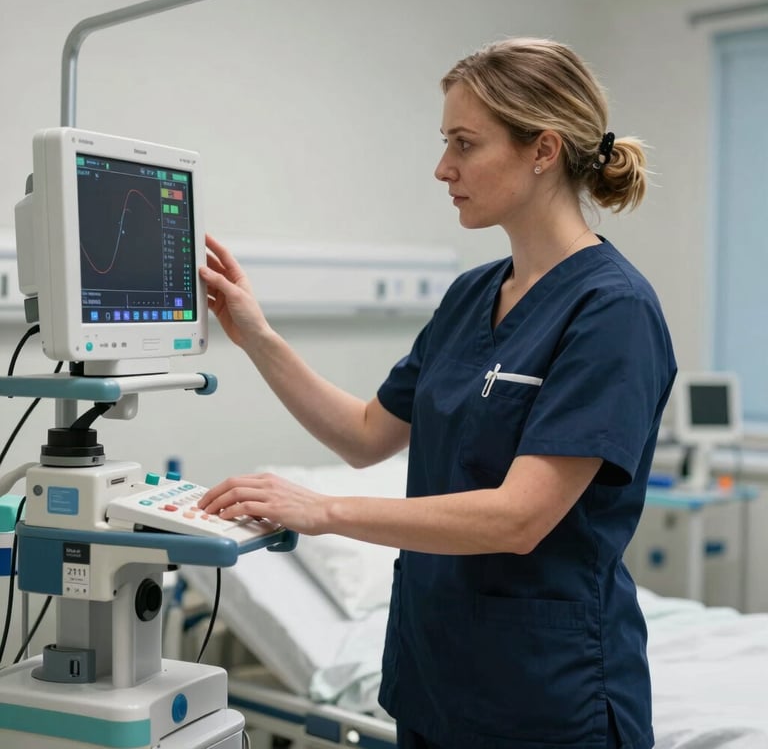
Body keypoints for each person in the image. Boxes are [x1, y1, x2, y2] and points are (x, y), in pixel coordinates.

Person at [198, 36, 677, 749]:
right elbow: (365, 435)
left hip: (544, 694)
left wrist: (322, 510)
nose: (442, 167)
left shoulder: (613, 311)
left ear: (542, 150)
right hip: (434, 676)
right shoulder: (471, 295)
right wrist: (258, 336)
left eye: (464, 143)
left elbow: (519, 519)